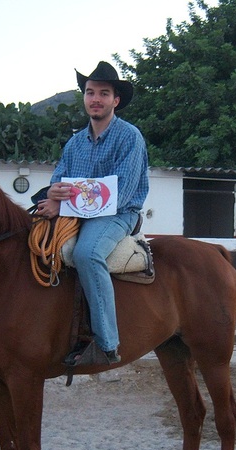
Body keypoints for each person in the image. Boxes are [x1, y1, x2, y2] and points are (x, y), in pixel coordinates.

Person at [35, 61, 149, 365]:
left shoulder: (130, 137)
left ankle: (107, 344)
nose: (95, 98)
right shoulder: (74, 143)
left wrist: (64, 201)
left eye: (103, 93)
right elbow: (58, 179)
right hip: (78, 213)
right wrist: (53, 192)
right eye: (90, 92)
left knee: (86, 254)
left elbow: (120, 193)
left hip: (119, 215)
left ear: (116, 100)